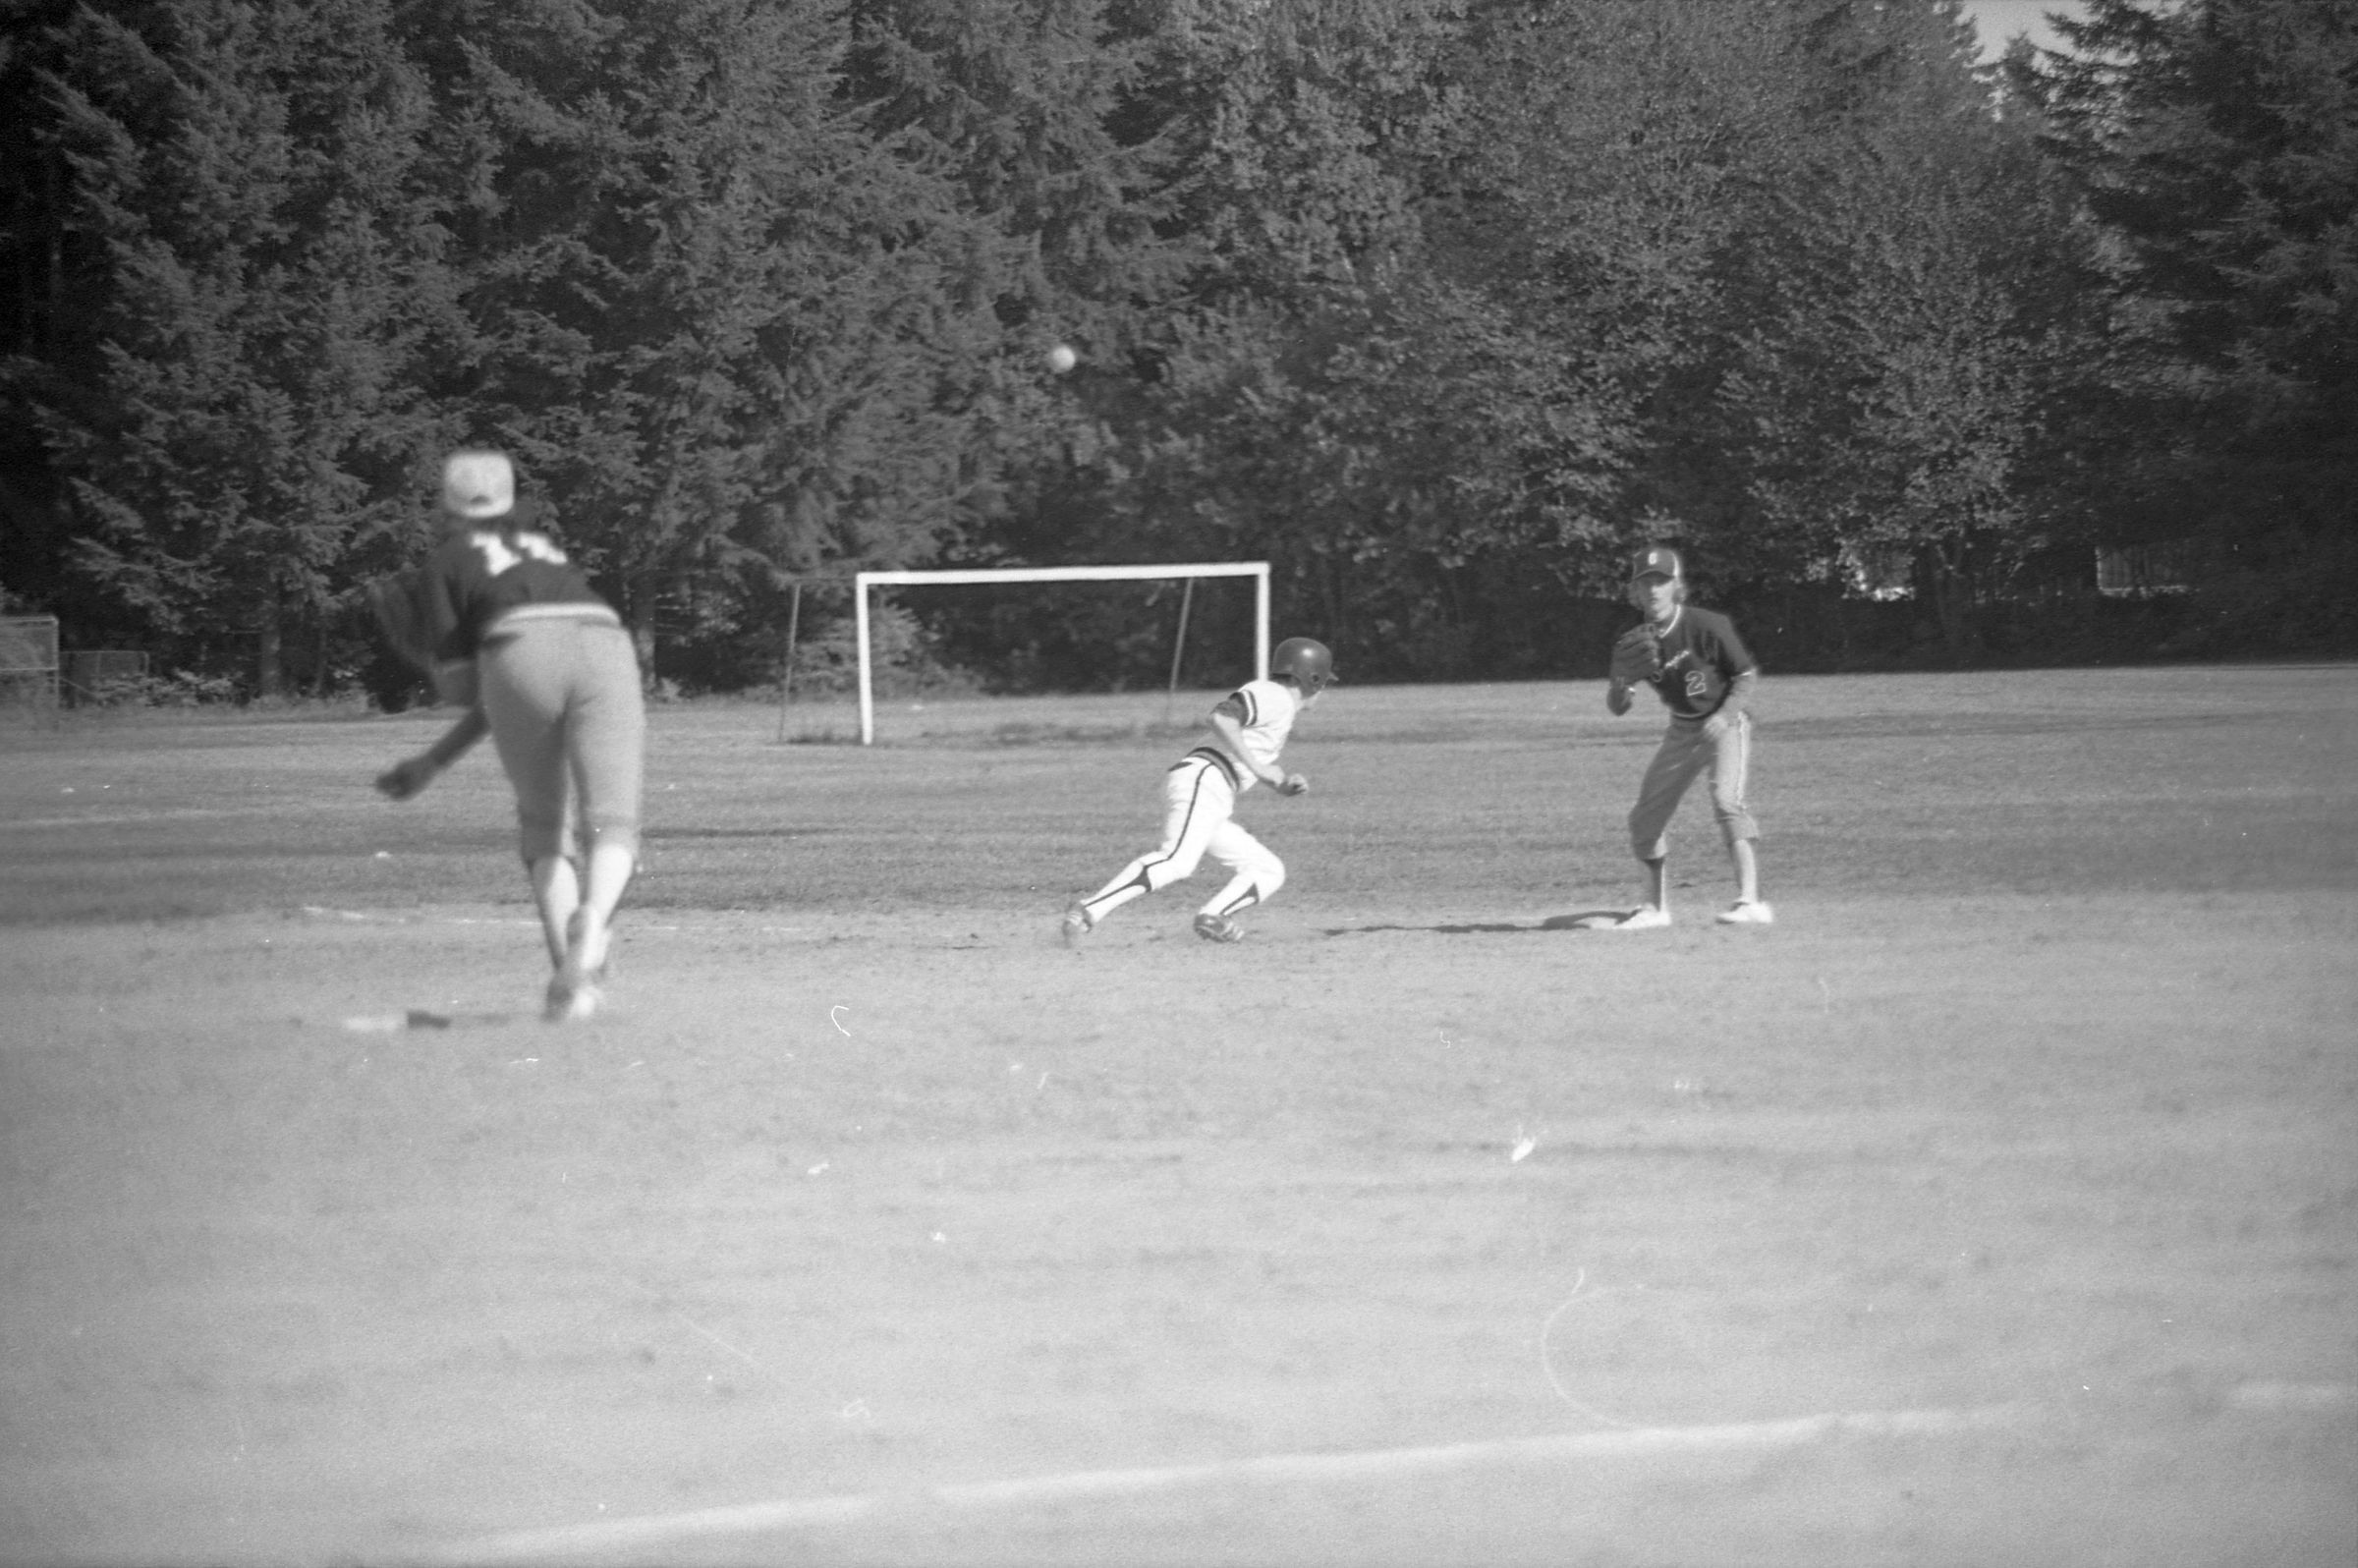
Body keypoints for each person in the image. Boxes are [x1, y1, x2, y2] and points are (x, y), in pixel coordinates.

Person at [373, 450, 647, 1020]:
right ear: (510, 500)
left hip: (514, 647)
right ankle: (595, 919)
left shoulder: (447, 561)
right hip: (606, 641)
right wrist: (433, 761)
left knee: (545, 829)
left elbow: (479, 690)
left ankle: (575, 988)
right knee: (613, 820)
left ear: (444, 507)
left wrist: (422, 655)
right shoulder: (545, 550)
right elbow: (508, 690)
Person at [1062, 637, 1334, 945]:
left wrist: (1282, 785)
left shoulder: (1279, 707)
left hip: (1211, 787)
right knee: (1177, 860)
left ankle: (1214, 917)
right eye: (1324, 682)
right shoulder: (1275, 695)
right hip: (1204, 780)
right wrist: (1260, 769)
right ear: (1313, 679)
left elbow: (1247, 754)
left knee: (1267, 869)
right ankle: (1088, 910)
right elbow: (1221, 718)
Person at [1601, 544, 1771, 928]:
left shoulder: (1707, 625)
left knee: (1726, 800)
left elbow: (1745, 675)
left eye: (1661, 581)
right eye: (1645, 583)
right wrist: (1620, 683)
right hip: (1682, 730)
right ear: (1635, 591)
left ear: (1676, 585)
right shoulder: (1635, 641)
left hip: (1726, 723)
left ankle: (1751, 901)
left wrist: (1725, 716)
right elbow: (1618, 706)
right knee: (1645, 816)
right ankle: (1653, 908)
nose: (1653, 590)